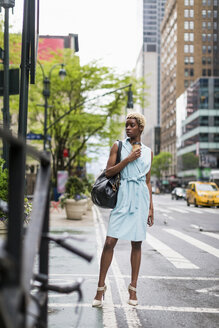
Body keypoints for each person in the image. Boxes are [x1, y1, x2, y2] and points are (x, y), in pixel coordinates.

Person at [92, 112, 154, 307]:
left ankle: (133, 289)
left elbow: (148, 181)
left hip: (140, 198)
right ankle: (100, 288)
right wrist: (128, 159)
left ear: (140, 128)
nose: (128, 128)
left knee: (137, 243)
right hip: (123, 195)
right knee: (110, 242)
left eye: (132, 125)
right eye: (126, 125)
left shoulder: (149, 152)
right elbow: (108, 172)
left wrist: (151, 208)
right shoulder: (118, 146)